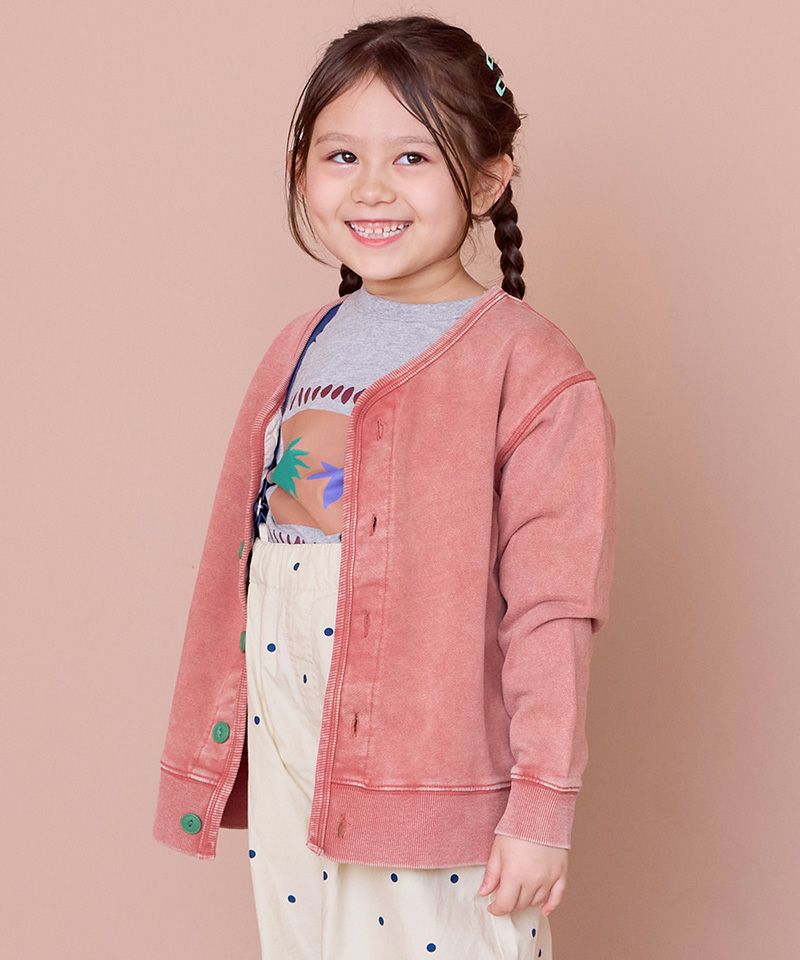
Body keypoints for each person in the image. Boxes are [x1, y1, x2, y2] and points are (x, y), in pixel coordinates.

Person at [152, 14, 617, 960]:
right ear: (301, 171)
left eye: (413, 156)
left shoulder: (529, 368)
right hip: (294, 749)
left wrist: (541, 807)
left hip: (430, 771)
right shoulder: (301, 347)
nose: (371, 188)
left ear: (486, 179)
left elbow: (551, 610)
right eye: (341, 155)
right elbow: (268, 557)